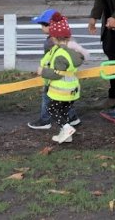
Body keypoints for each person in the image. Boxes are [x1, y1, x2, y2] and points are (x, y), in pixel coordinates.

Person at [28, 9, 88, 130]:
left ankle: (45, 120)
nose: (41, 28)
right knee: (65, 101)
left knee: (48, 98)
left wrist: (43, 72)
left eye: (42, 25)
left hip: (54, 79)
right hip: (70, 82)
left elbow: (52, 65)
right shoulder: (67, 41)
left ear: (50, 27)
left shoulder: (52, 44)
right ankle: (72, 118)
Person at [37, 13, 85, 144]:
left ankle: (66, 128)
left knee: (52, 109)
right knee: (63, 112)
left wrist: (43, 71)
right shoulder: (72, 51)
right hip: (73, 90)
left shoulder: (59, 54)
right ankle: (65, 135)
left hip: (61, 90)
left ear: (54, 38)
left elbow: (57, 73)